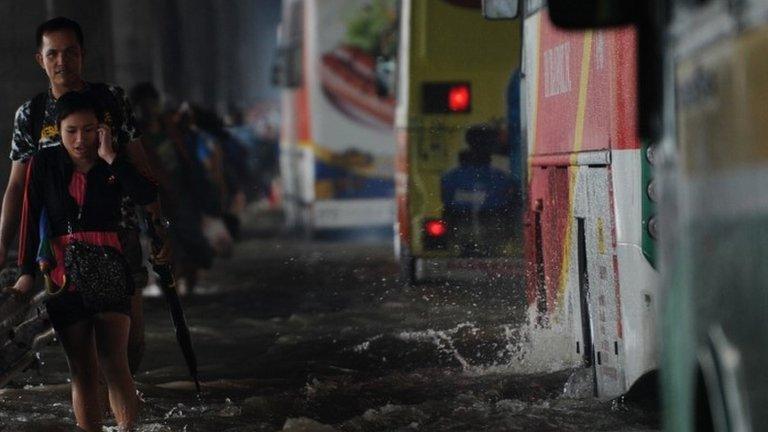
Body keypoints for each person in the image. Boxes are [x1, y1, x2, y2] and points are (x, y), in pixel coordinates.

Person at [0, 16, 170, 374]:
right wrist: (4, 245)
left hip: (118, 234)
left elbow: (140, 167)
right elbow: (17, 187)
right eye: (53, 54)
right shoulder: (30, 116)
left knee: (129, 345)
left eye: (70, 52)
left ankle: (123, 414)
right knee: (82, 353)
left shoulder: (112, 101)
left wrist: (157, 228)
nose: (62, 61)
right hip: (60, 245)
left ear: (83, 56)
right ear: (40, 60)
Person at [10, 91, 157, 431]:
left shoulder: (113, 161)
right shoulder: (44, 164)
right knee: (81, 369)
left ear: (101, 129)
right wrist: (25, 273)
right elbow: (30, 219)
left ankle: (127, 429)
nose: (80, 139)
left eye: (88, 130)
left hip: (109, 268)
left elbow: (147, 195)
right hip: (64, 276)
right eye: (71, 131)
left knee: (115, 362)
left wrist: (111, 157)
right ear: (57, 131)